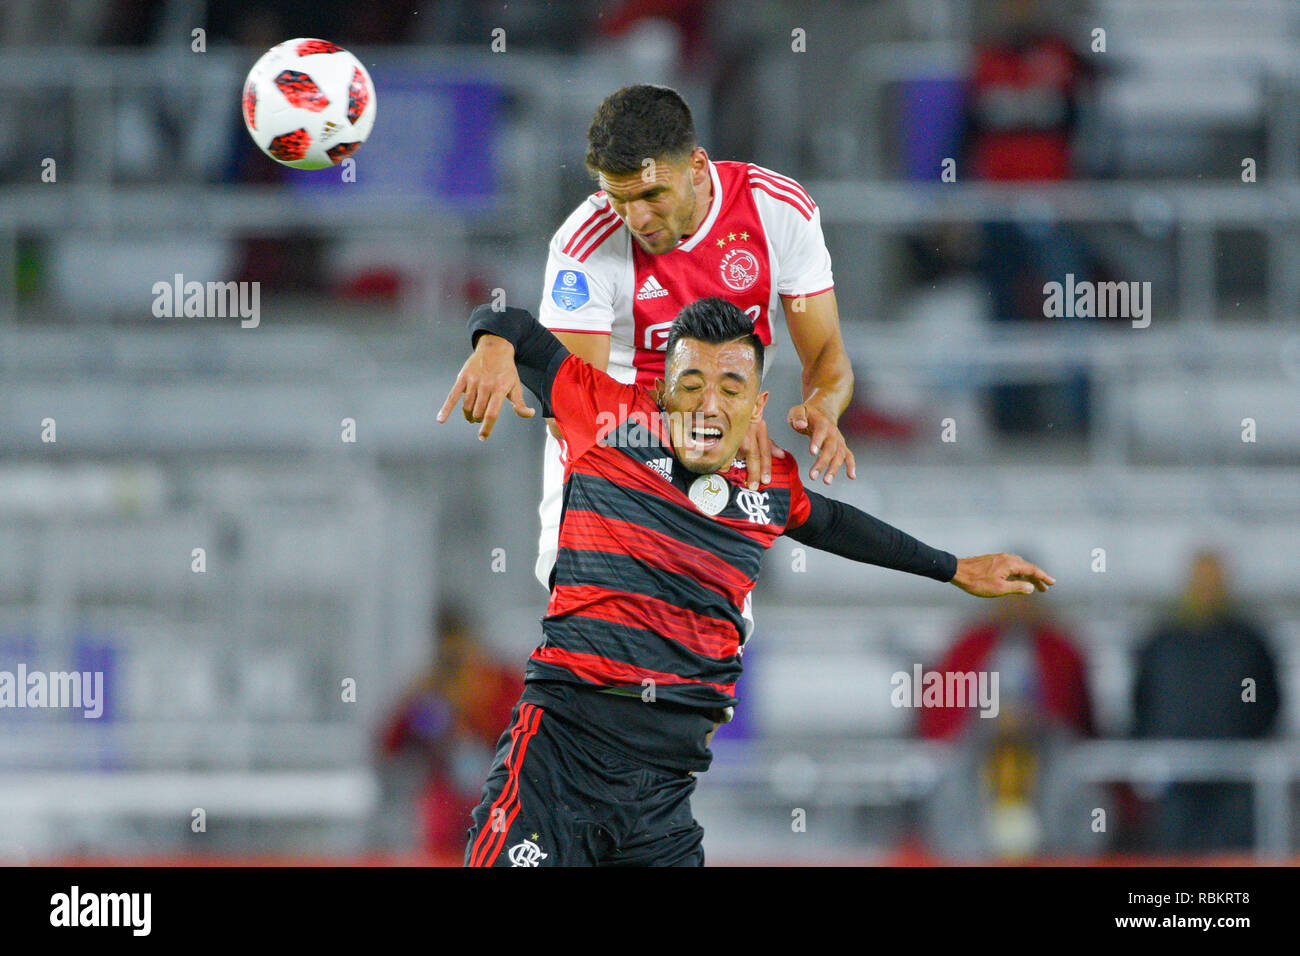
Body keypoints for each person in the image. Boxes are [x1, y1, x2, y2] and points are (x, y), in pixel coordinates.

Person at [437, 297, 1055, 866]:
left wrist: (954, 568)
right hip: (560, 755)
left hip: (663, 796)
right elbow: (511, 326)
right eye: (692, 384)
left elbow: (836, 523)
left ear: (756, 406)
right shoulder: (609, 418)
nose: (709, 405)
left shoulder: (769, 481)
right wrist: (490, 346)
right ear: (661, 391)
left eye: (731, 387)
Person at [529, 84, 857, 598]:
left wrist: (823, 406)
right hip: (613, 458)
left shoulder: (777, 212)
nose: (636, 218)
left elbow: (826, 357)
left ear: (698, 168)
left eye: (651, 195)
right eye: (619, 199)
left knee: (712, 640)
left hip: (719, 446)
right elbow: (572, 412)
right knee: (606, 635)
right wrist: (710, 424)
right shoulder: (586, 246)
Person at [1131, 548, 1283, 853]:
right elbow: (1142, 702)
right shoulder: (1161, 642)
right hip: (1176, 774)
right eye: (1201, 577)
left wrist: (1247, 743)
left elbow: (1270, 700)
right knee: (1174, 855)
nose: (1207, 586)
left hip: (1236, 773)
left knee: (1235, 855)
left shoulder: (1249, 641)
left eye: (1214, 578)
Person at [376, 607, 523, 857]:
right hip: (446, 802)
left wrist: (475, 705)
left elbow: (526, 732)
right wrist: (419, 699)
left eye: (460, 651)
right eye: (447, 654)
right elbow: (389, 743)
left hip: (501, 795)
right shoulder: (428, 688)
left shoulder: (502, 681)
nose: (456, 660)